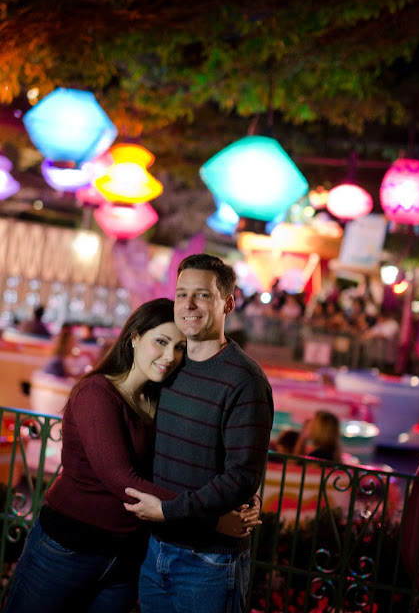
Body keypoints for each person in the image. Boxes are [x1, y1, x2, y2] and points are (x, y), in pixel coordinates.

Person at [5, 298, 257, 613]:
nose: (170, 356)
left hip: (126, 556)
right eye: (161, 342)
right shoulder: (96, 394)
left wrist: (240, 496)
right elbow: (123, 481)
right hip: (69, 548)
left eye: (179, 348)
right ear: (134, 337)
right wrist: (213, 519)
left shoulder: (158, 398)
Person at [124, 253, 274, 613]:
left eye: (202, 295)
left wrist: (171, 511)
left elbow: (241, 476)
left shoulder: (244, 380)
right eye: (181, 294)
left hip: (209, 562)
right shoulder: (168, 365)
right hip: (157, 549)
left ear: (228, 303)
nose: (188, 304)